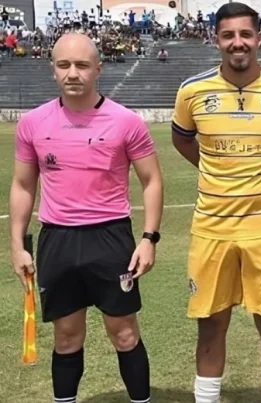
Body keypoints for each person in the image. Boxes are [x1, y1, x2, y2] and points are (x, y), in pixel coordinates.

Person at [171, 3, 261, 402]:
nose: (238, 43)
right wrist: (214, 169)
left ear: (259, 38)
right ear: (216, 40)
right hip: (211, 227)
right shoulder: (192, 90)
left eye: (246, 34)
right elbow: (182, 139)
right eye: (229, 35)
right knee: (210, 325)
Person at [9, 33, 163, 403]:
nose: (72, 73)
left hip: (110, 239)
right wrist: (16, 245)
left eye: (81, 65)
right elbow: (23, 185)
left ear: (98, 69)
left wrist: (148, 238)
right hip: (57, 240)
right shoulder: (32, 123)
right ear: (53, 70)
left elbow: (152, 180)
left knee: (124, 332)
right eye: (63, 65)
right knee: (66, 336)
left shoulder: (126, 122)